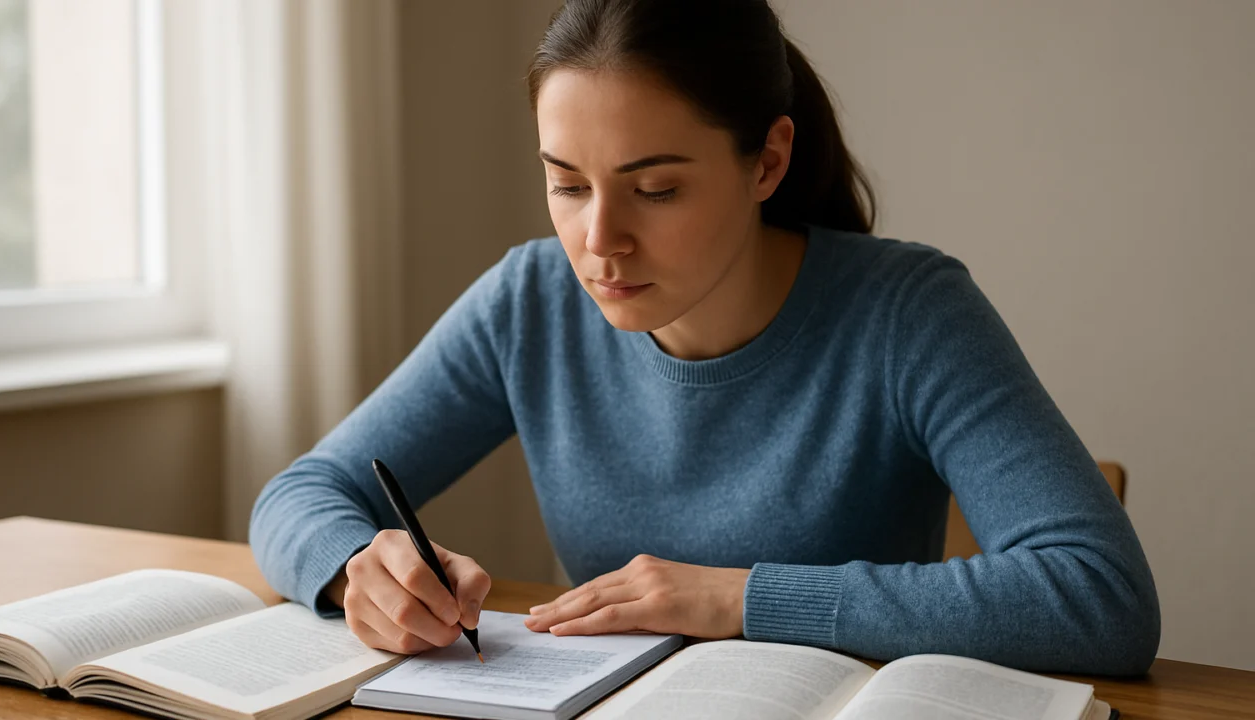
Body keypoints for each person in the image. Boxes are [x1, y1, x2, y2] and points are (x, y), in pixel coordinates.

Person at [250, 0, 1160, 676]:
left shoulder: (908, 312)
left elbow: (1098, 594)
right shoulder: (528, 299)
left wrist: (738, 597)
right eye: (567, 185)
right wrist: (355, 568)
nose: (599, 241)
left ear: (766, 160)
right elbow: (303, 492)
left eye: (655, 190)